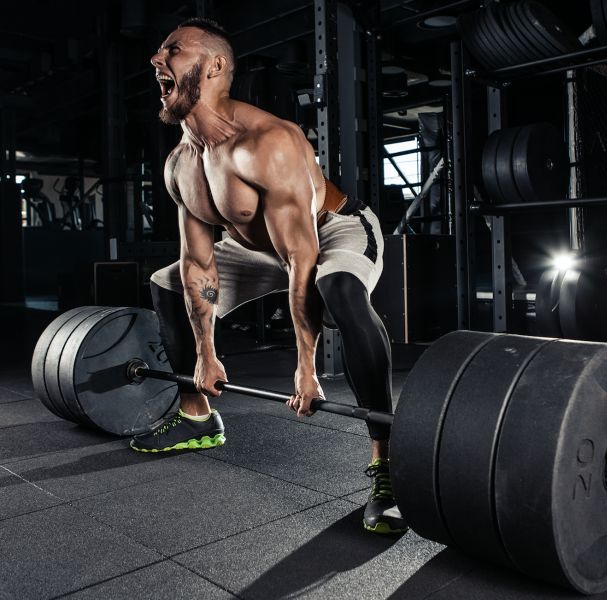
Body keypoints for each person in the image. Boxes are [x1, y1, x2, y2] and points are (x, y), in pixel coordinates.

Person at [131, 17, 406, 535]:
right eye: (158, 50)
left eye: (173, 49)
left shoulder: (269, 142)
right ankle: (196, 417)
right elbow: (199, 263)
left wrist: (308, 369)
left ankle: (386, 465)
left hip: (332, 229)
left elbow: (302, 257)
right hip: (252, 246)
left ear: (213, 66)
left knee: (338, 288)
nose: (156, 59)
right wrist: (207, 354)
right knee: (167, 282)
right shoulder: (179, 164)